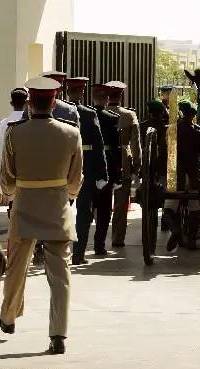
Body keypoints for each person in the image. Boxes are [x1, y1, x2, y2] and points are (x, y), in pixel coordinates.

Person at [0, 76, 83, 354]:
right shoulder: (71, 132)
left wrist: (11, 194)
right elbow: (75, 178)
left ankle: (8, 317)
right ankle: (58, 335)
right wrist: (68, 196)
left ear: (30, 101)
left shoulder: (15, 131)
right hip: (57, 208)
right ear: (55, 98)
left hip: (24, 206)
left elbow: (7, 177)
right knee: (61, 275)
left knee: (16, 268)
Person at [28, 71, 80, 266]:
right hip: (61, 173)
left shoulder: (30, 108)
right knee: (57, 215)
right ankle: (51, 249)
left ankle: (40, 245)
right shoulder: (71, 111)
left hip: (35, 169)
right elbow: (75, 148)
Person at [66, 77, 108, 264]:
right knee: (84, 212)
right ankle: (78, 254)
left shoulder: (58, 112)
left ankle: (53, 252)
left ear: (67, 92)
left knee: (59, 211)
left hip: (63, 168)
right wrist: (102, 174)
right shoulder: (89, 114)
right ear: (82, 93)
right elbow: (99, 146)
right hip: (86, 168)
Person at [162, 100, 200, 251]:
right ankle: (192, 240)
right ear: (193, 115)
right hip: (192, 173)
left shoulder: (172, 130)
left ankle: (176, 229)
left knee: (169, 208)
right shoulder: (198, 131)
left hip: (175, 173)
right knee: (194, 207)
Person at [105, 81, 142, 248]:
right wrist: (137, 163)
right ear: (121, 96)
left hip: (104, 159)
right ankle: (117, 238)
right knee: (121, 204)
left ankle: (100, 237)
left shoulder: (99, 112)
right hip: (123, 161)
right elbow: (135, 143)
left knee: (102, 201)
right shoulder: (129, 115)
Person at [91, 84, 122, 255]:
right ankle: (99, 244)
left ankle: (80, 245)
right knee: (104, 209)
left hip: (89, 166)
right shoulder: (112, 118)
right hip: (107, 166)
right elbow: (117, 148)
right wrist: (118, 174)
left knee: (88, 207)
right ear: (107, 99)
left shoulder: (86, 116)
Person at [0, 88, 28, 161]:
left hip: (6, 166)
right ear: (27, 103)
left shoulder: (2, 124)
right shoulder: (30, 123)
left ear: (11, 103)